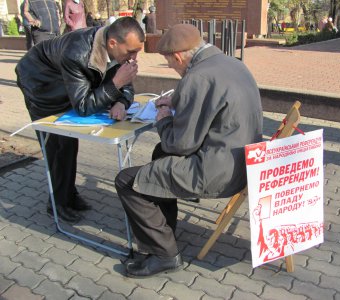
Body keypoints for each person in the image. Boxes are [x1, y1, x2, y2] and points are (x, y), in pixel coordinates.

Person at [115, 24, 263, 277]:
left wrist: (163, 118)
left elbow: (181, 144)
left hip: (219, 173)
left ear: (178, 56)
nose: (174, 69)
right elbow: (216, 101)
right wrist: (179, 100)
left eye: (170, 64)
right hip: (246, 162)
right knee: (160, 155)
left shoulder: (197, 77)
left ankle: (165, 254)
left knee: (127, 181)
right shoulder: (231, 63)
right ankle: (163, 230)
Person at [15, 17, 145, 222]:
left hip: (65, 84)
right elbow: (84, 106)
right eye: (131, 52)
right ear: (113, 43)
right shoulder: (77, 53)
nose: (134, 57)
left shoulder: (114, 48)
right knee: (56, 145)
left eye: (137, 51)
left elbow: (125, 86)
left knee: (68, 144)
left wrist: (121, 101)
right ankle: (57, 204)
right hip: (41, 85)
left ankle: (68, 195)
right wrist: (116, 83)